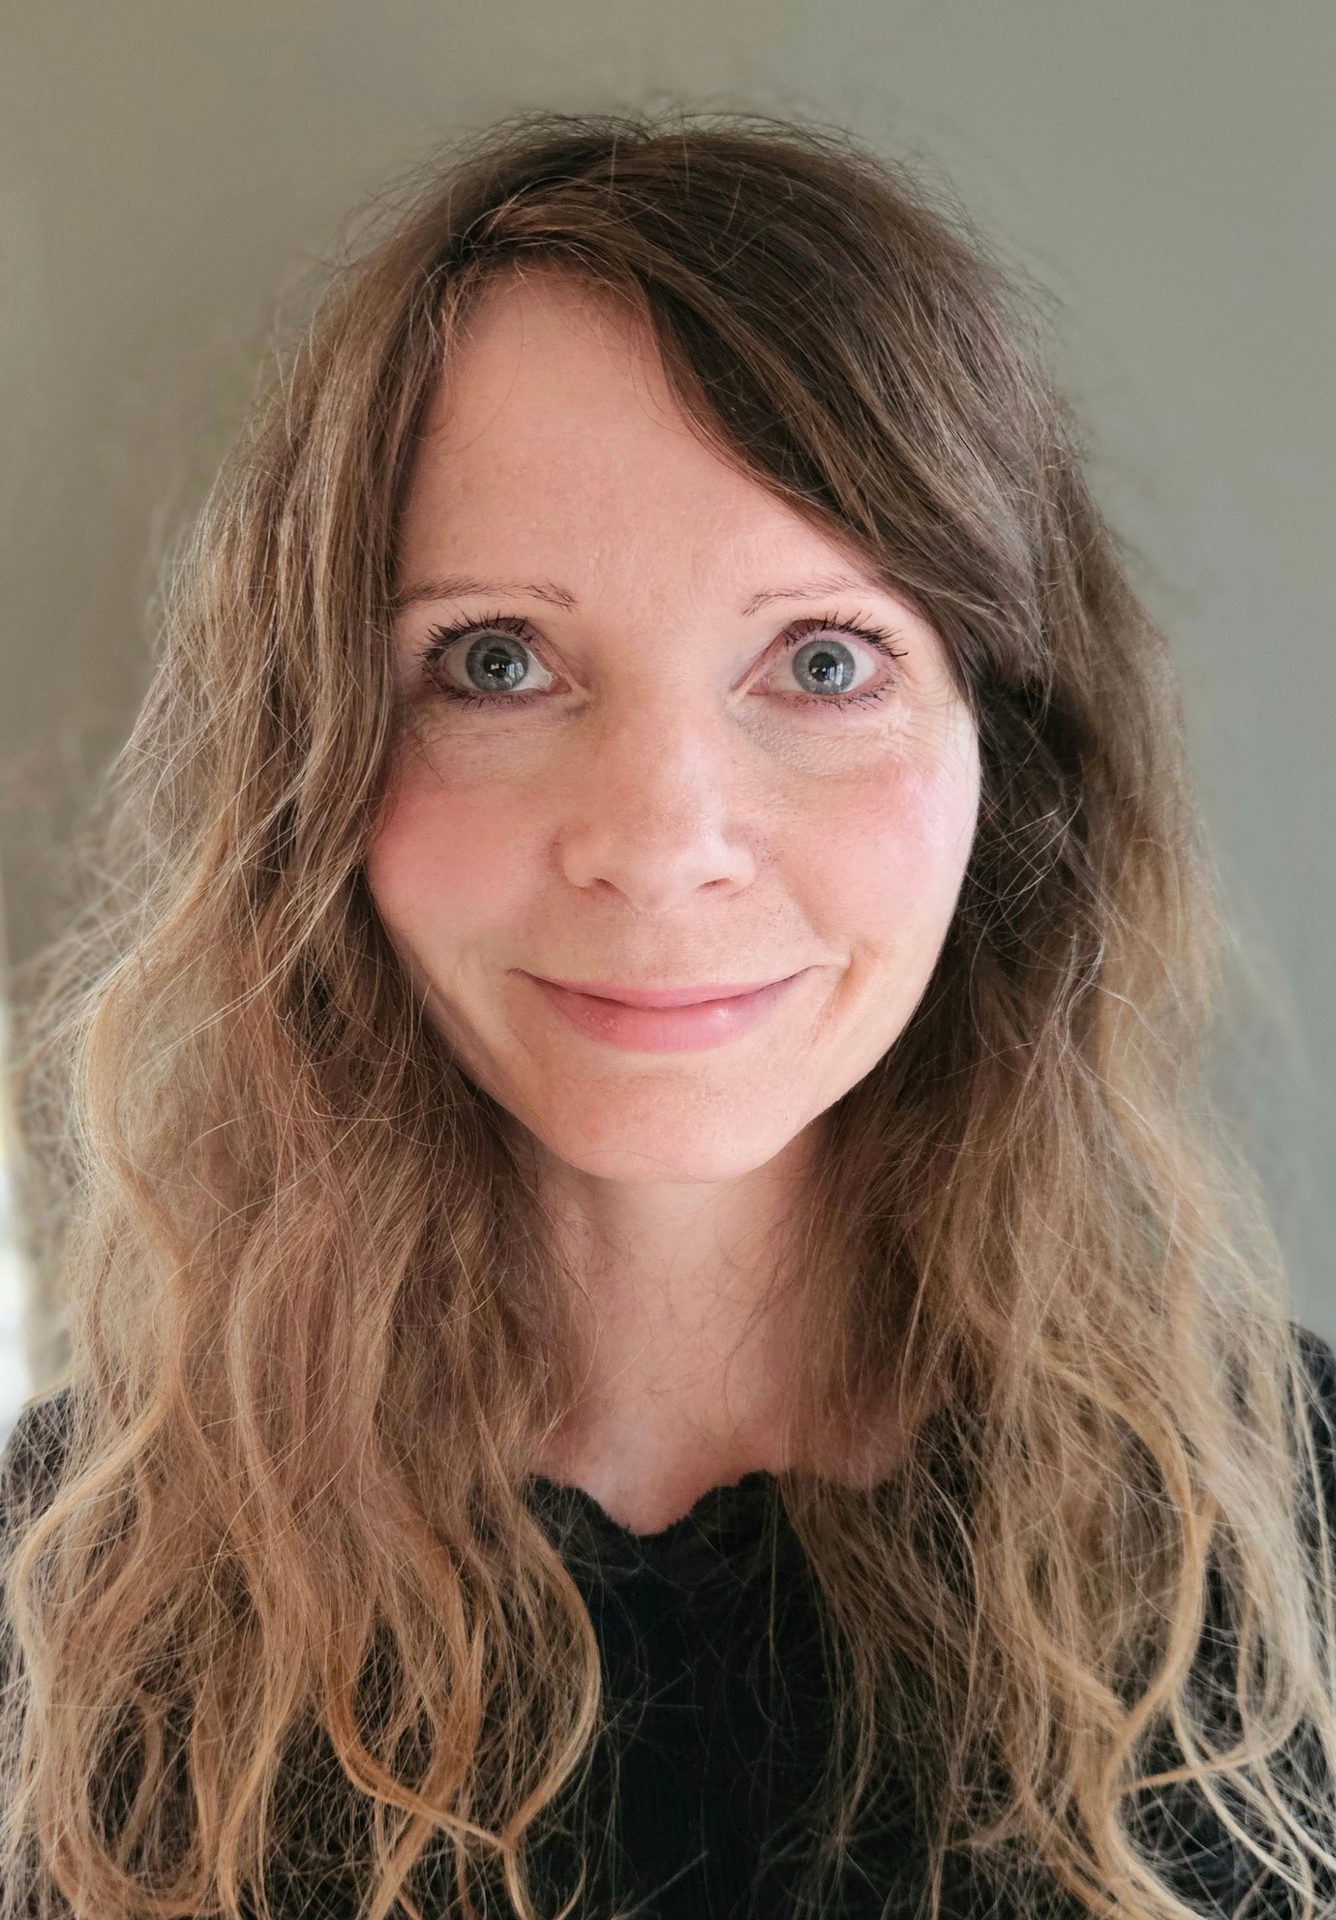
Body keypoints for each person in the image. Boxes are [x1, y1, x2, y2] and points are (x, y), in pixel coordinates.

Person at [1, 106, 1333, 1920]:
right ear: (313, 767)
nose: (658, 843)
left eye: (826, 661)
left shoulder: (1304, 1535)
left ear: (1005, 763)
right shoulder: (57, 1599)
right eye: (495, 661)